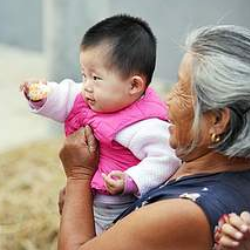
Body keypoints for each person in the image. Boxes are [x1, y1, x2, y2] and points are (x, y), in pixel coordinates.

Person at [57, 24, 250, 249]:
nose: (168, 99)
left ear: (218, 121)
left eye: (180, 89)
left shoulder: (182, 212)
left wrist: (78, 178)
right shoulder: (207, 168)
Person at [21, 14, 180, 233]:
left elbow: (166, 158)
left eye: (95, 78)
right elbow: (66, 94)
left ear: (133, 85)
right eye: (84, 74)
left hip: (120, 207)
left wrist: (132, 180)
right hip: (90, 196)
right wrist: (43, 94)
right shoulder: (95, 96)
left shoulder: (145, 124)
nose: (86, 85)